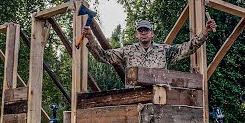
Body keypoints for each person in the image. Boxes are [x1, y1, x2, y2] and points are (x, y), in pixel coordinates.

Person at [82, 18, 217, 70]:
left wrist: (205, 31)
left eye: (146, 30)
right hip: (134, 100)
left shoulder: (164, 50)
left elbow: (188, 48)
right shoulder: (128, 51)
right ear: (137, 34)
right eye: (141, 30)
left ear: (152, 33)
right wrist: (91, 39)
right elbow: (103, 57)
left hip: (159, 100)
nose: (143, 33)